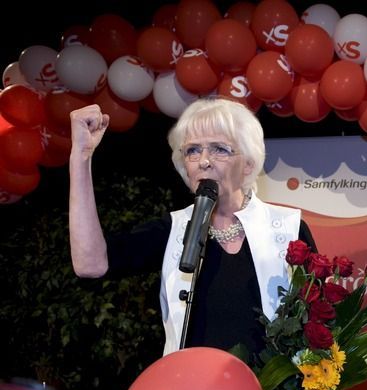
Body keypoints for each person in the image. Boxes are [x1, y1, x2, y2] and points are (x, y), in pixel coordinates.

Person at [69, 97, 316, 358]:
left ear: (248, 164)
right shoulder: (172, 230)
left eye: (219, 149)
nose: (204, 161)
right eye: (192, 151)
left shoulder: (289, 229)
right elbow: (90, 264)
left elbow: (315, 323)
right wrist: (80, 158)